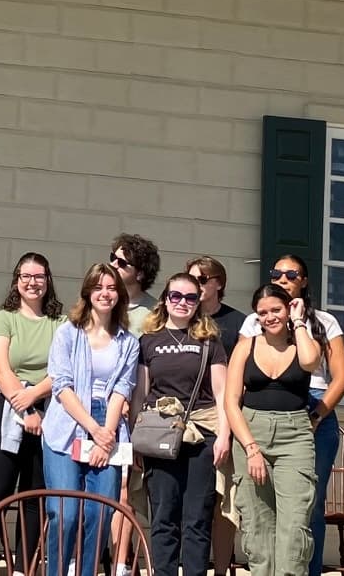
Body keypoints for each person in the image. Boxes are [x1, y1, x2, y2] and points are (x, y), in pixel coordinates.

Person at [237, 254, 344, 576]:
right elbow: (242, 375)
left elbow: (340, 376)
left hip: (314, 404)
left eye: (291, 274)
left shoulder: (323, 322)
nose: (282, 278)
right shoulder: (254, 322)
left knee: (306, 506)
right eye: (277, 273)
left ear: (304, 280)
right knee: (263, 509)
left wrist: (316, 415)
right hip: (264, 408)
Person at [41, 263, 139, 576]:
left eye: (111, 287)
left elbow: (122, 390)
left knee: (99, 513)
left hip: (107, 422)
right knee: (64, 512)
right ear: (88, 293)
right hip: (69, 422)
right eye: (98, 287)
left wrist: (106, 434)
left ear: (119, 294)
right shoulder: (67, 333)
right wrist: (93, 429)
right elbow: (61, 386)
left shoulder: (128, 342)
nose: (105, 293)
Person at [0, 253, 65, 576]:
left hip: (49, 408)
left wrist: (36, 399)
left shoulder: (61, 323)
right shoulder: (4, 318)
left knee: (34, 494)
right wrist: (23, 405)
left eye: (39, 276)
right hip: (6, 405)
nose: (32, 282)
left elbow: (64, 369)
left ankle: (24, 568)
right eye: (26, 276)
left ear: (48, 280)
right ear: (16, 281)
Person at [225, 283, 321, 576]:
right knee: (257, 524)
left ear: (289, 308)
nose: (269, 317)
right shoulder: (246, 345)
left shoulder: (303, 342)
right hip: (251, 432)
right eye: (262, 312)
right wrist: (251, 448)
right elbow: (231, 402)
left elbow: (310, 361)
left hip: (295, 436)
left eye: (276, 310)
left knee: (294, 526)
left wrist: (299, 320)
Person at [138, 273, 230, 576]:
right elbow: (141, 395)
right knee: (164, 516)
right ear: (165, 299)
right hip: (160, 435)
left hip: (202, 435)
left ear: (198, 303)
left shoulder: (209, 341)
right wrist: (134, 441)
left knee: (197, 518)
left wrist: (225, 436)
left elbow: (222, 394)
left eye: (190, 298)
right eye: (175, 296)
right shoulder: (148, 340)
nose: (182, 303)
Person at [184, 255, 245, 575]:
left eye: (202, 280)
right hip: (187, 421)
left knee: (223, 500)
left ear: (218, 283)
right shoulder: (183, 318)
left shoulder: (238, 323)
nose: (195, 285)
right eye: (190, 279)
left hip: (225, 419)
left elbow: (245, 374)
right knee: (192, 502)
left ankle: (220, 570)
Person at [109, 233, 160, 574]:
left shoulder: (152, 313)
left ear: (139, 273)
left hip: (131, 411)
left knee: (126, 488)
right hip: (94, 410)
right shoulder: (102, 299)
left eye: (122, 262)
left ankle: (121, 564)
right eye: (112, 258)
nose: (113, 265)